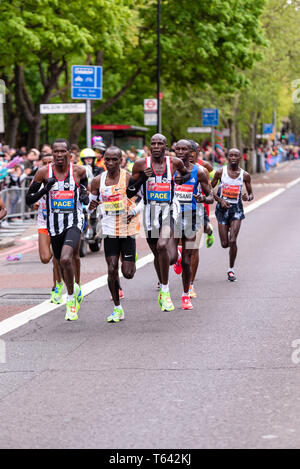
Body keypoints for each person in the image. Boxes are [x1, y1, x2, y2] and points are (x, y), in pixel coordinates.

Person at [26, 138, 88, 320]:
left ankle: (70, 301)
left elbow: (84, 189)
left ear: (70, 154)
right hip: (53, 224)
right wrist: (46, 189)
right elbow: (29, 199)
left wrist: (85, 196)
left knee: (68, 258)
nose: (59, 155)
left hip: (74, 221)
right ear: (52, 153)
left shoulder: (79, 170)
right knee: (61, 262)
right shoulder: (43, 172)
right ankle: (72, 288)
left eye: (63, 152)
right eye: (56, 152)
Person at [127, 133, 188, 312]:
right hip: (149, 213)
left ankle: (165, 291)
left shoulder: (175, 163)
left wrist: (179, 180)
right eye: (152, 143)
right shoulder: (140, 164)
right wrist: (142, 179)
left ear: (165, 146)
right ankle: (164, 281)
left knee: (162, 246)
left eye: (159, 143)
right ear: (149, 146)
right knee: (158, 253)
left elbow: (185, 175)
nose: (155, 146)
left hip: (169, 209)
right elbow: (130, 192)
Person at [88, 146, 142, 323]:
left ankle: (130, 258)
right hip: (109, 229)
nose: (110, 163)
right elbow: (91, 204)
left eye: (114, 160)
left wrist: (134, 212)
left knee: (128, 274)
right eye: (107, 160)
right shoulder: (97, 181)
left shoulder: (128, 178)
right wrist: (91, 207)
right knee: (111, 267)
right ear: (103, 160)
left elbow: (143, 199)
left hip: (127, 229)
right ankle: (117, 308)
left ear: (121, 161)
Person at [173, 140, 213, 309]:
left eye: (185, 149)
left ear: (193, 153)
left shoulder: (202, 170)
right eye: (178, 149)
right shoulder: (168, 168)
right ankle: (177, 256)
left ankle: (188, 288)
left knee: (192, 253)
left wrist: (203, 198)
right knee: (167, 253)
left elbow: (210, 195)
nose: (181, 152)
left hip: (192, 214)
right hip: (171, 214)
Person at [211, 148, 254, 282]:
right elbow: (209, 190)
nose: (233, 158)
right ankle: (231, 246)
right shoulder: (220, 172)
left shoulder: (245, 175)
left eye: (236, 155)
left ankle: (231, 269)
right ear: (227, 157)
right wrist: (220, 200)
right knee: (225, 244)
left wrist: (248, 197)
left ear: (240, 158)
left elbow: (251, 194)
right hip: (222, 209)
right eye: (231, 155)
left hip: (236, 209)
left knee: (233, 240)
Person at [33, 153, 64, 304]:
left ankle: (57, 285)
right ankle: (57, 264)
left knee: (57, 259)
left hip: (59, 221)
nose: (46, 165)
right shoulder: (38, 178)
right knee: (46, 258)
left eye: (49, 162)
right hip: (43, 222)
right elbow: (30, 198)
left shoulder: (62, 177)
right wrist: (35, 203)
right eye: (44, 162)